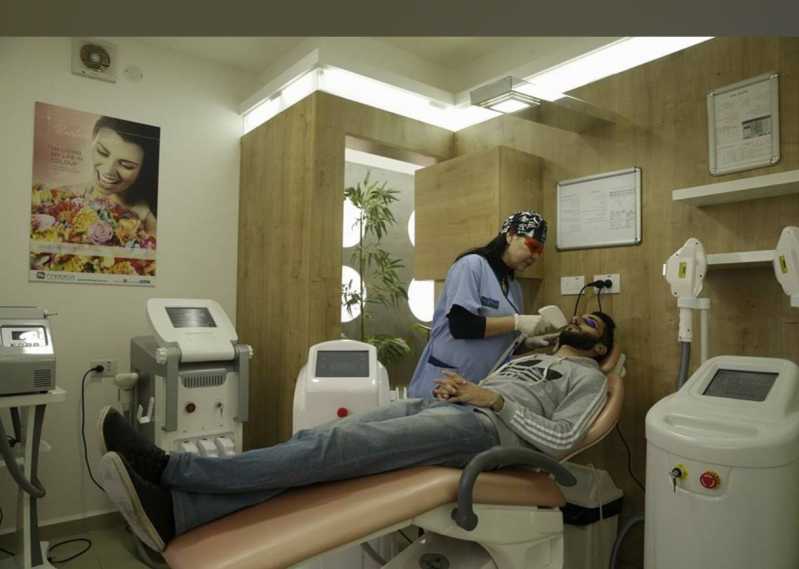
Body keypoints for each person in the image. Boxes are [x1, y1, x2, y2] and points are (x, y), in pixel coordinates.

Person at [98, 311, 615, 553]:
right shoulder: (527, 356)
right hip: (455, 411)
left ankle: (172, 469)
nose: (581, 319)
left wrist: (492, 400)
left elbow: (561, 440)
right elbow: (492, 392)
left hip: (482, 434)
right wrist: (462, 388)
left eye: (593, 324)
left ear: (600, 349)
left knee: (334, 445)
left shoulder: (588, 377)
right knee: (318, 444)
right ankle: (184, 511)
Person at [408, 210, 557, 399]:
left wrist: (528, 344)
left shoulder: (513, 287)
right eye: (532, 246)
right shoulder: (472, 266)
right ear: (510, 235)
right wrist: (516, 322)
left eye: (539, 251)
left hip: (480, 389)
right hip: (444, 383)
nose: (535, 256)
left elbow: (500, 343)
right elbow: (461, 326)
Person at [30, 115, 160, 275]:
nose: (108, 170)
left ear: (144, 168)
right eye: (102, 152)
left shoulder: (149, 221)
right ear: (92, 142)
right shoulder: (56, 197)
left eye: (126, 165)